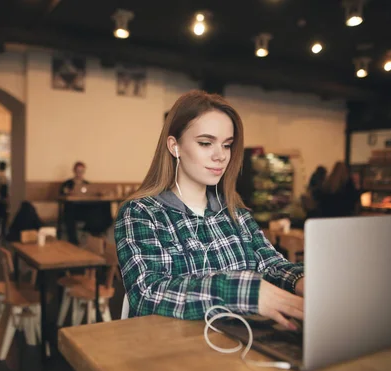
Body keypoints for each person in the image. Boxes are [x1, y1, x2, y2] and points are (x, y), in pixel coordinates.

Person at [114, 90, 304, 329]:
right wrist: (241, 291)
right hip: (170, 354)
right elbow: (147, 293)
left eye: (227, 145)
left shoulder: (237, 212)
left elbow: (270, 265)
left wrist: (301, 280)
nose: (221, 156)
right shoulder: (141, 213)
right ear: (175, 146)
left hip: (239, 347)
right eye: (206, 143)